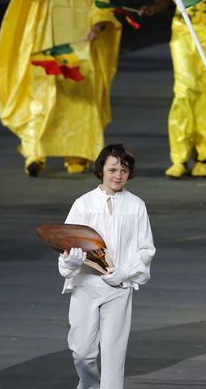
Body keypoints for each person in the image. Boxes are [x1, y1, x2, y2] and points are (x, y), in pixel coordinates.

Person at [0, 0, 120, 175]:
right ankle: (34, 154)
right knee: (41, 102)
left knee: (78, 102)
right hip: (45, 51)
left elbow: (102, 6)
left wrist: (97, 26)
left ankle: (77, 154)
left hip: (79, 51)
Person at [57, 144, 155, 389]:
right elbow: (65, 241)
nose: (118, 175)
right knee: (82, 352)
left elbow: (146, 249)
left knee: (113, 354)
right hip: (86, 285)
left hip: (118, 287)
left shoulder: (136, 206)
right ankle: (89, 385)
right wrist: (70, 262)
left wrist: (126, 271)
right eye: (112, 169)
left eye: (124, 170)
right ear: (101, 169)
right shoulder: (83, 204)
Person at [139, 0, 206, 178]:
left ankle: (203, 156)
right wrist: (153, 8)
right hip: (184, 31)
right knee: (184, 91)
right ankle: (179, 157)